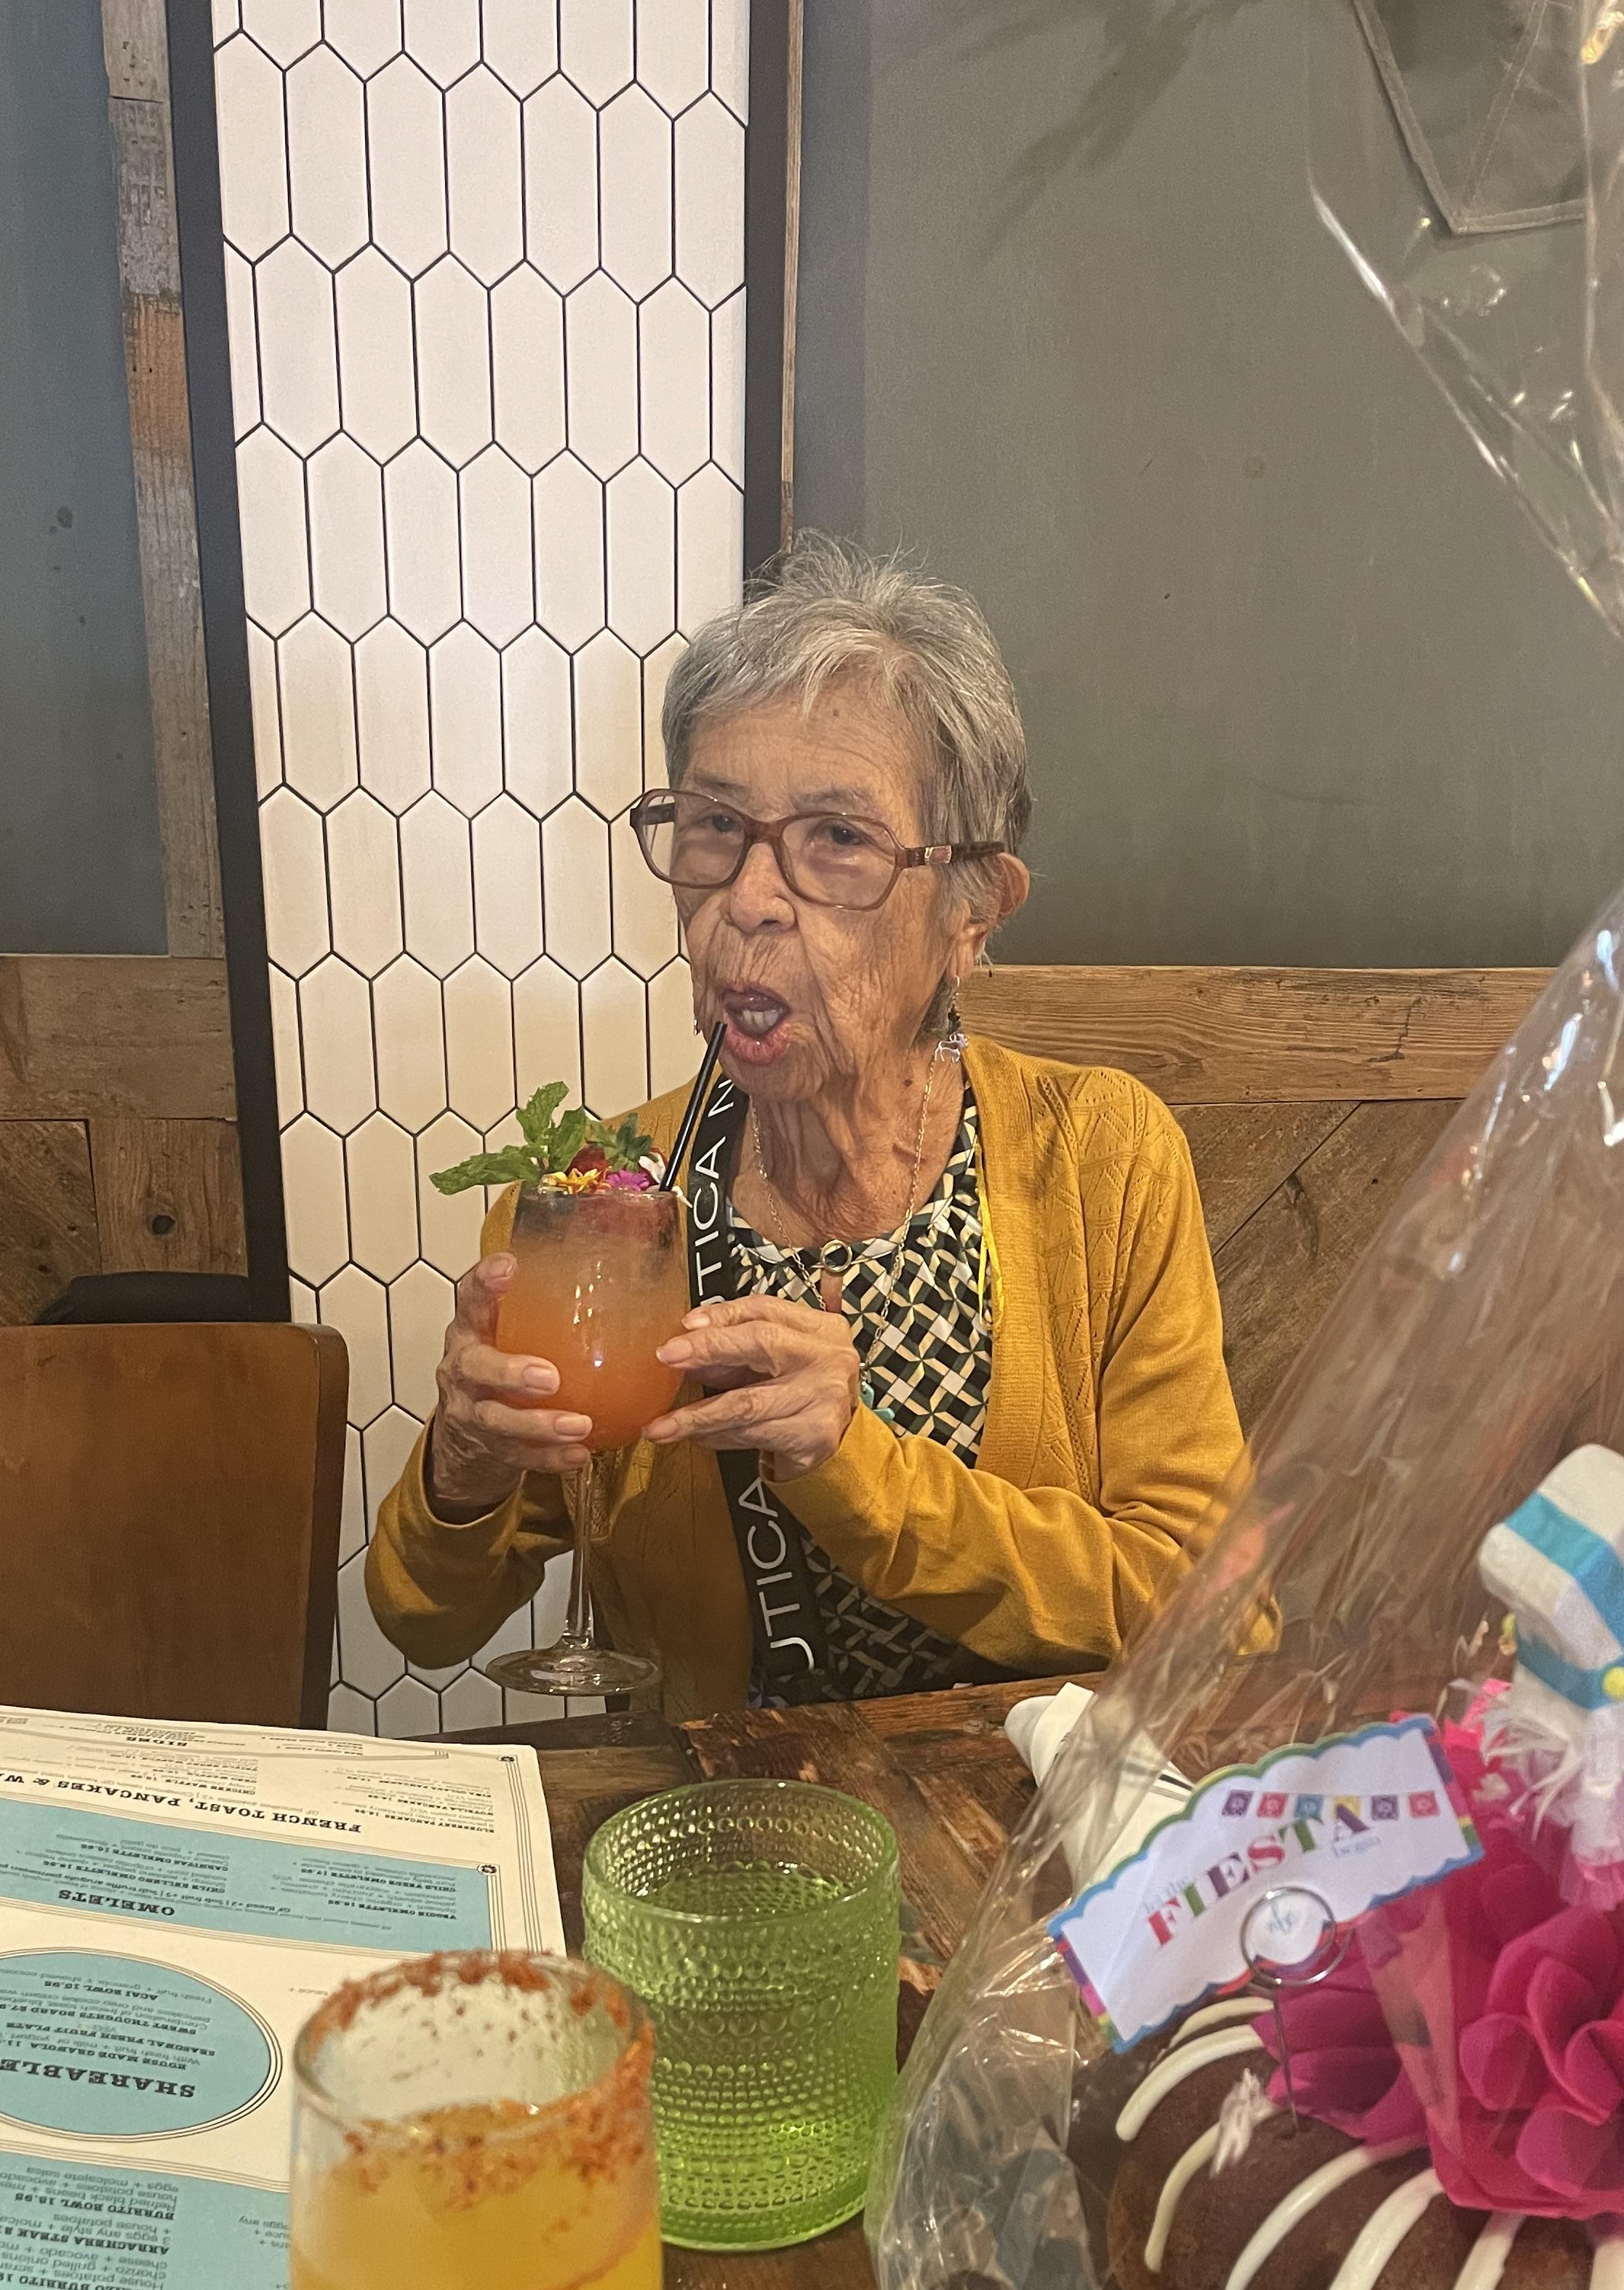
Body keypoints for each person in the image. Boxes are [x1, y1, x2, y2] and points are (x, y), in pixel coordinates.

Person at [365, 538, 1245, 1715]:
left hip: (1015, 1835)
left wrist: (860, 1474)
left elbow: (1219, 1615)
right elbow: (424, 1621)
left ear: (972, 912)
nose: (749, 898)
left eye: (837, 838)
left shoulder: (1102, 1157)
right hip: (714, 1841)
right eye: (715, 827)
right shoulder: (605, 1200)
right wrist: (465, 1469)